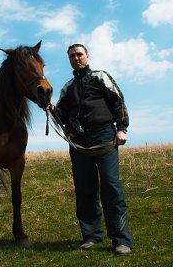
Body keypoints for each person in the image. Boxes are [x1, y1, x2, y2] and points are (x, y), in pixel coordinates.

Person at [54, 43, 133, 255]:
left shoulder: (101, 77)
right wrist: (49, 107)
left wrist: (121, 128)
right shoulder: (67, 87)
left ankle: (121, 239)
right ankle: (91, 236)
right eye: (72, 56)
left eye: (79, 54)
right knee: (84, 188)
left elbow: (118, 102)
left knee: (111, 186)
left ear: (87, 56)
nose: (76, 58)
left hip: (104, 135)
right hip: (79, 141)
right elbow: (60, 115)